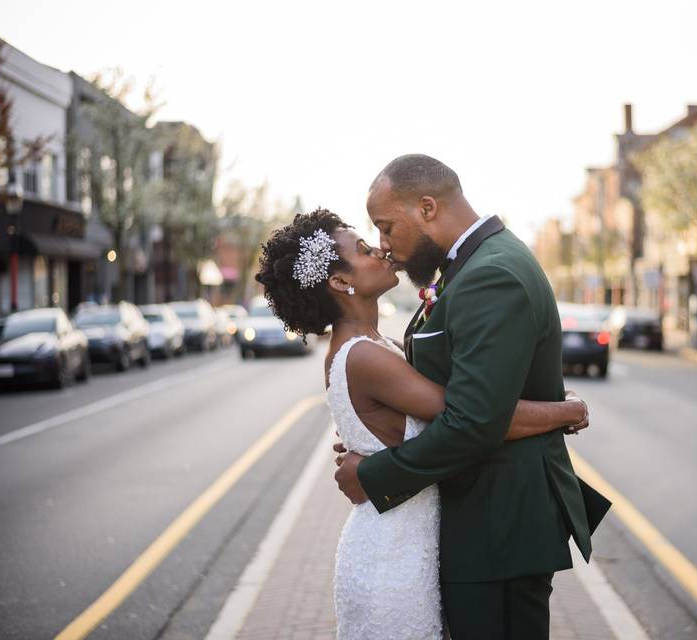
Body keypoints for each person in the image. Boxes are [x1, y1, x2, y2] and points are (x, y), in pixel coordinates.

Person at [254, 206, 588, 639]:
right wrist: (566, 412)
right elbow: (474, 417)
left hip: (408, 544)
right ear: (339, 282)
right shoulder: (366, 355)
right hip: (392, 557)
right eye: (362, 249)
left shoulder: (375, 345)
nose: (379, 249)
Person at [331, 154, 607, 639]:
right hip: (481, 524)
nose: (384, 245)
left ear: (428, 208)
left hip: (497, 527)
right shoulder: (469, 267)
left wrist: (374, 474)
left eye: (386, 226)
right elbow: (463, 391)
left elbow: (473, 420)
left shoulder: (490, 274)